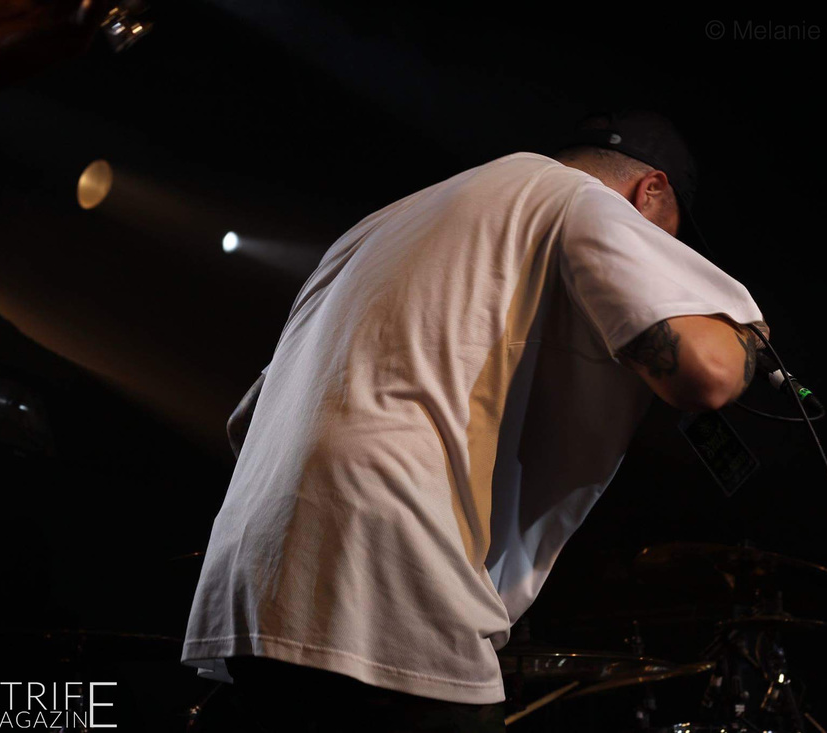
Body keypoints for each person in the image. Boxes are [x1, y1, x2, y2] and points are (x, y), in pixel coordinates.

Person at [181, 110, 767, 732]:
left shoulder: (382, 226)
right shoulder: (580, 199)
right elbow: (706, 374)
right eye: (669, 241)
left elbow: (248, 420)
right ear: (649, 192)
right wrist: (748, 338)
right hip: (379, 569)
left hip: (252, 587)